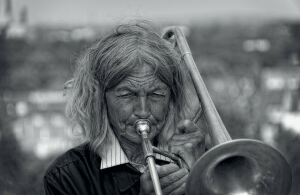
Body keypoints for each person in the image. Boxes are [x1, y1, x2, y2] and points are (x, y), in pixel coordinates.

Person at [44, 20, 206, 195]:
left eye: (156, 95)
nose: (143, 111)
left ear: (171, 97)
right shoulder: (66, 177)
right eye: (127, 95)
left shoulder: (200, 157)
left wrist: (202, 177)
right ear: (99, 100)